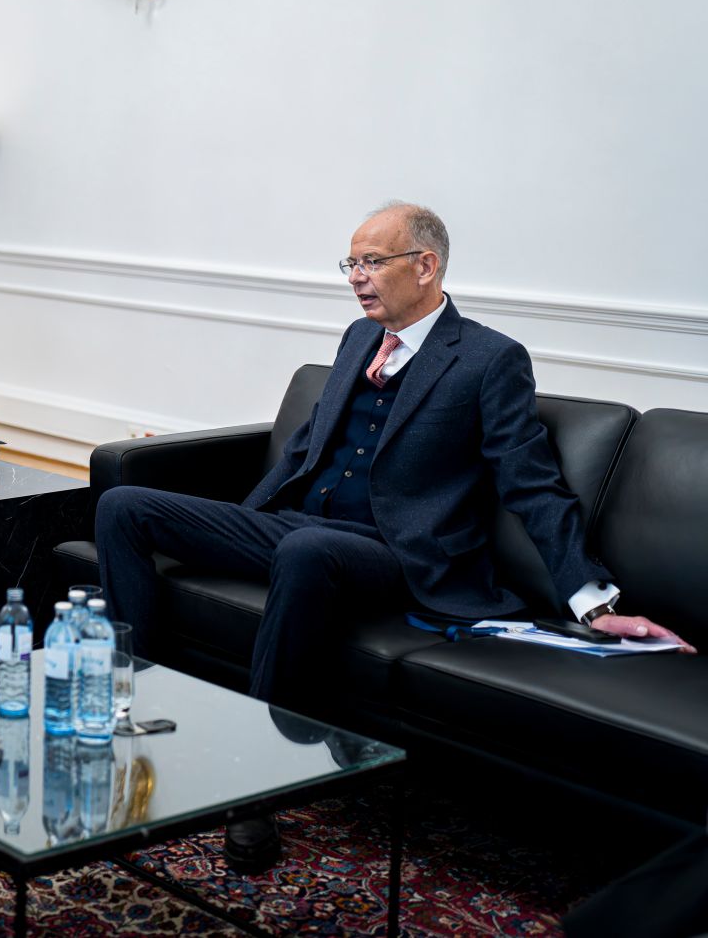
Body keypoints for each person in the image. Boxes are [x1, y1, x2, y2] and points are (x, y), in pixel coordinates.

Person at [95, 201, 694, 872]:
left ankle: (251, 787)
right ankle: (132, 706)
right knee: (124, 503)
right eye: (351, 262)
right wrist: (239, 520)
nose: (357, 276)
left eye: (372, 261)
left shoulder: (489, 359)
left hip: (397, 555)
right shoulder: (358, 338)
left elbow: (532, 484)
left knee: (305, 550)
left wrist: (596, 604)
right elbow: (304, 450)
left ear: (426, 265)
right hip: (298, 527)